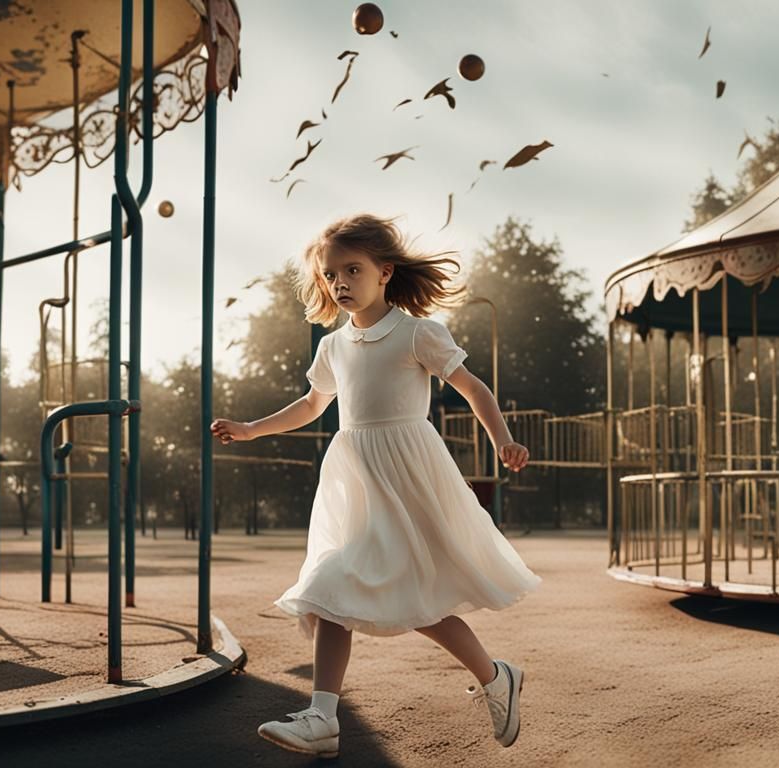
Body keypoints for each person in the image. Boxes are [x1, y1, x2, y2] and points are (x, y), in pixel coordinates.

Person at [210, 214, 542, 759]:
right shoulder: (332, 347)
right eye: (330, 274)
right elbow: (312, 406)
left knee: (405, 599)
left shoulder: (417, 333)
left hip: (408, 479)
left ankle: (490, 676)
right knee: (336, 588)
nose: (340, 282)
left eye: (352, 269)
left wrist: (502, 438)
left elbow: (472, 386)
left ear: (385, 272)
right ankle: (325, 716)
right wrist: (251, 428)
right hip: (356, 483)